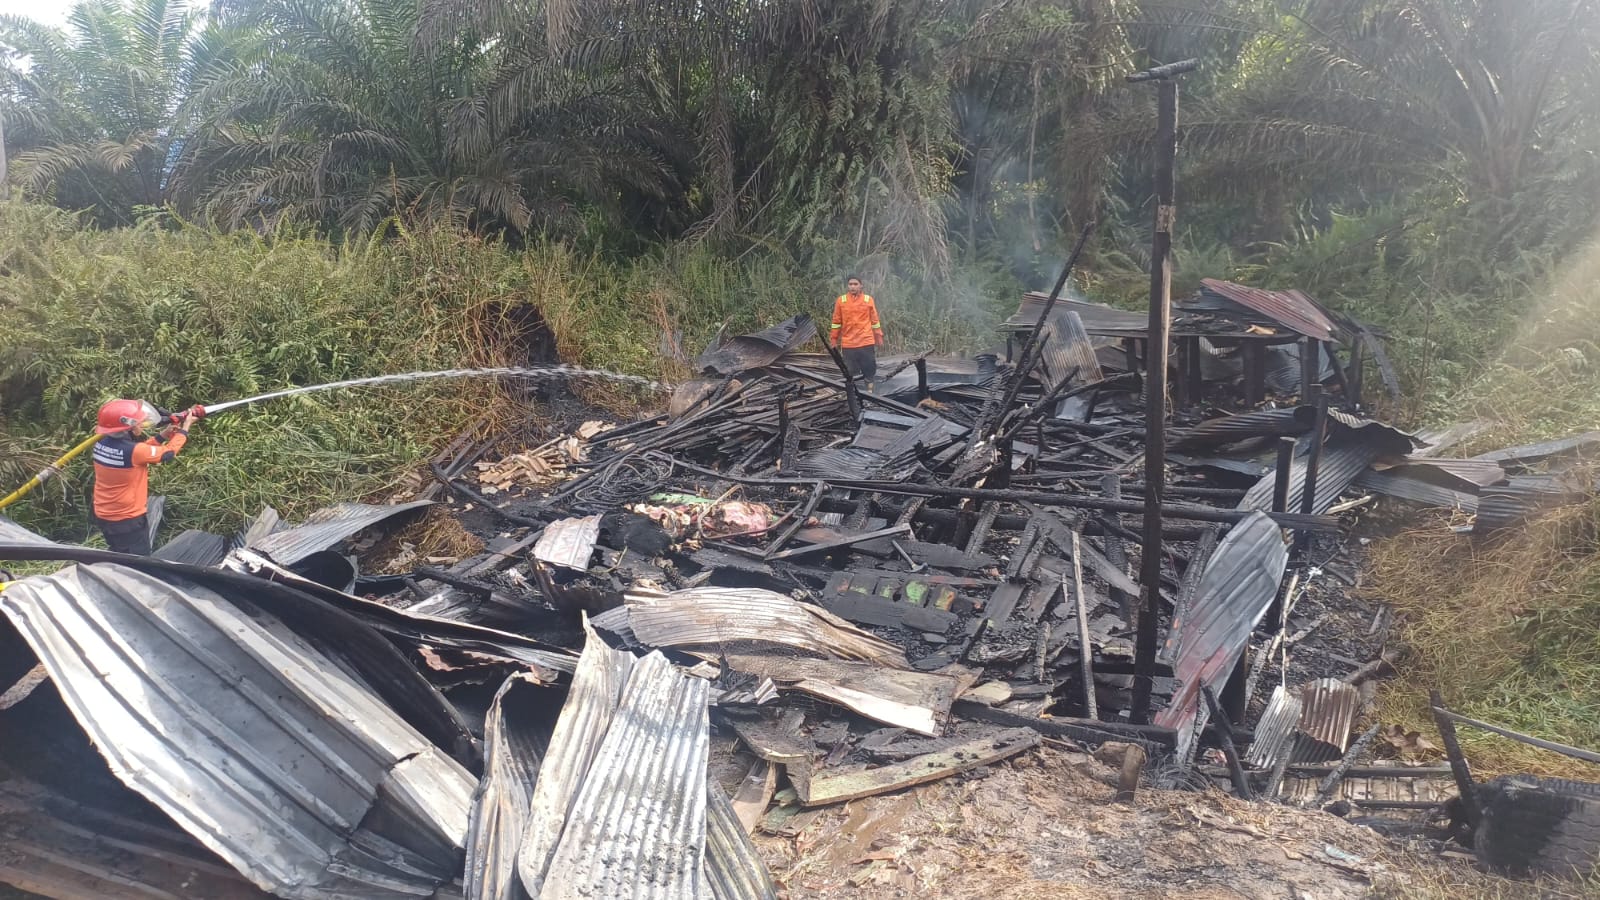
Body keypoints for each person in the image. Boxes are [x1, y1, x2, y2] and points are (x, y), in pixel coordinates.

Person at [91, 399, 198, 555]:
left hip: (104, 514)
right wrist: (185, 428)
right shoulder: (135, 451)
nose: (141, 425)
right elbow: (167, 453)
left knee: (118, 552)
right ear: (128, 427)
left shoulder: (101, 444)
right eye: (139, 422)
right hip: (126, 520)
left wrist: (162, 436)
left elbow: (138, 452)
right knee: (137, 562)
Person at [828, 275, 885, 383]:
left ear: (861, 286)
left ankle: (870, 392)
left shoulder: (868, 300)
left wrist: (879, 337)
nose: (852, 287)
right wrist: (834, 339)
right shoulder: (841, 301)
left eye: (855, 284)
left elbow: (875, 321)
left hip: (866, 341)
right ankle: (855, 394)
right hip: (849, 343)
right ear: (847, 286)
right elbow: (836, 322)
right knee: (851, 372)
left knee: (869, 370)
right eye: (850, 284)